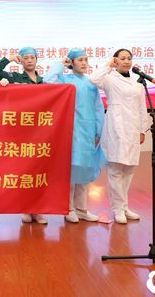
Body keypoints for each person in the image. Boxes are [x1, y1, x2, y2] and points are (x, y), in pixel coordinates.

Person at [45, 48, 106, 224]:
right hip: (71, 130)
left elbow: (98, 108)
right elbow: (48, 80)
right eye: (80, 60)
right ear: (71, 62)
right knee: (71, 169)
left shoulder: (91, 83)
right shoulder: (65, 80)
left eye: (86, 59)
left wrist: (98, 130)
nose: (84, 63)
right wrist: (60, 64)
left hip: (88, 131)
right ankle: (68, 208)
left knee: (85, 170)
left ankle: (82, 209)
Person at [89, 48, 149, 224]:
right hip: (115, 127)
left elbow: (142, 107)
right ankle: (117, 209)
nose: (126, 61)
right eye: (122, 58)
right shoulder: (109, 78)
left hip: (133, 128)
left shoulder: (137, 82)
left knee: (129, 169)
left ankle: (124, 206)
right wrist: (108, 65)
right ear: (115, 60)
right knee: (115, 169)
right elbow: (93, 79)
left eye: (129, 58)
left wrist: (142, 129)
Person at [0, 47, 48, 225]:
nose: (29, 60)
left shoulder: (44, 82)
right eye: (26, 58)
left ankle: (38, 210)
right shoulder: (15, 78)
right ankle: (26, 208)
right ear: (21, 61)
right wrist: (8, 59)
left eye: (32, 57)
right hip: (22, 132)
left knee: (39, 172)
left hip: (42, 132)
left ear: (36, 60)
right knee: (24, 172)